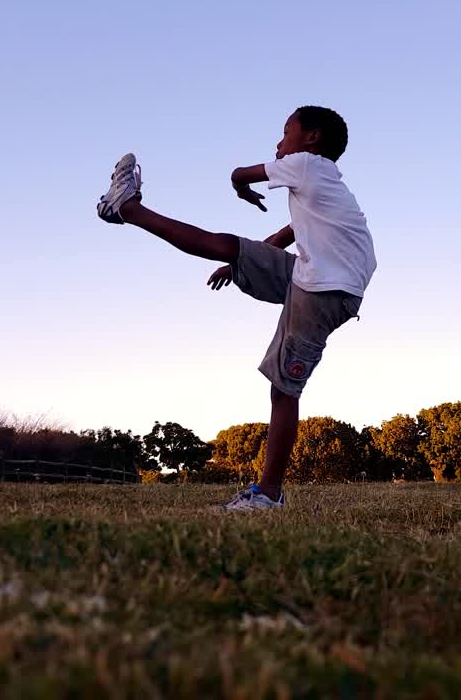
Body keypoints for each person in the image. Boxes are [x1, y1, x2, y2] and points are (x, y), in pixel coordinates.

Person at [95, 106, 376, 510]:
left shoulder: (306, 165)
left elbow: (239, 174)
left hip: (325, 290)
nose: (279, 144)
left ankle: (268, 495)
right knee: (228, 244)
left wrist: (241, 187)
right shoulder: (324, 189)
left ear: (311, 138)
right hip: (319, 276)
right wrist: (239, 263)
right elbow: (289, 234)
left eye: (284, 133)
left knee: (284, 390)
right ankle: (126, 208)